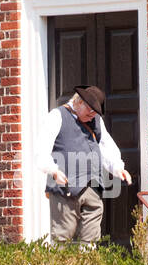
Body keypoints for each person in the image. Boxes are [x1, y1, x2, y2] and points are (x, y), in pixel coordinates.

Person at [38, 85, 132, 244]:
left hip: (92, 189)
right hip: (65, 190)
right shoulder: (57, 116)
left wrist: (118, 168)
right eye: (90, 111)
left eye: (95, 113)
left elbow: (106, 146)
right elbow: (41, 150)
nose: (92, 116)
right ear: (78, 102)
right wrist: (53, 171)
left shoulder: (95, 120)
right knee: (62, 239)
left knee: (91, 240)